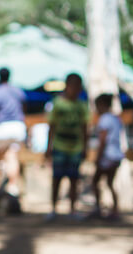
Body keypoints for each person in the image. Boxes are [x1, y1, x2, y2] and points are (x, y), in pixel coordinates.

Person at [45, 73, 89, 220]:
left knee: (74, 179)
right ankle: (53, 209)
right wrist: (48, 147)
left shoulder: (81, 105)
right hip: (60, 146)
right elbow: (52, 126)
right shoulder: (58, 103)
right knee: (56, 178)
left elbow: (85, 128)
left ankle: (73, 209)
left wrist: (85, 147)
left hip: (75, 147)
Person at [0, 67, 26, 196]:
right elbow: (24, 107)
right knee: (11, 155)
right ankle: (12, 185)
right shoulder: (17, 91)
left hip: (2, 128)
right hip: (18, 128)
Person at [91, 94, 124, 220]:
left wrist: (98, 156)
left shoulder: (104, 119)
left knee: (95, 181)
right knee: (110, 182)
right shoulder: (116, 118)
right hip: (116, 155)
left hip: (107, 155)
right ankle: (115, 209)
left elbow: (103, 140)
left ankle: (98, 208)